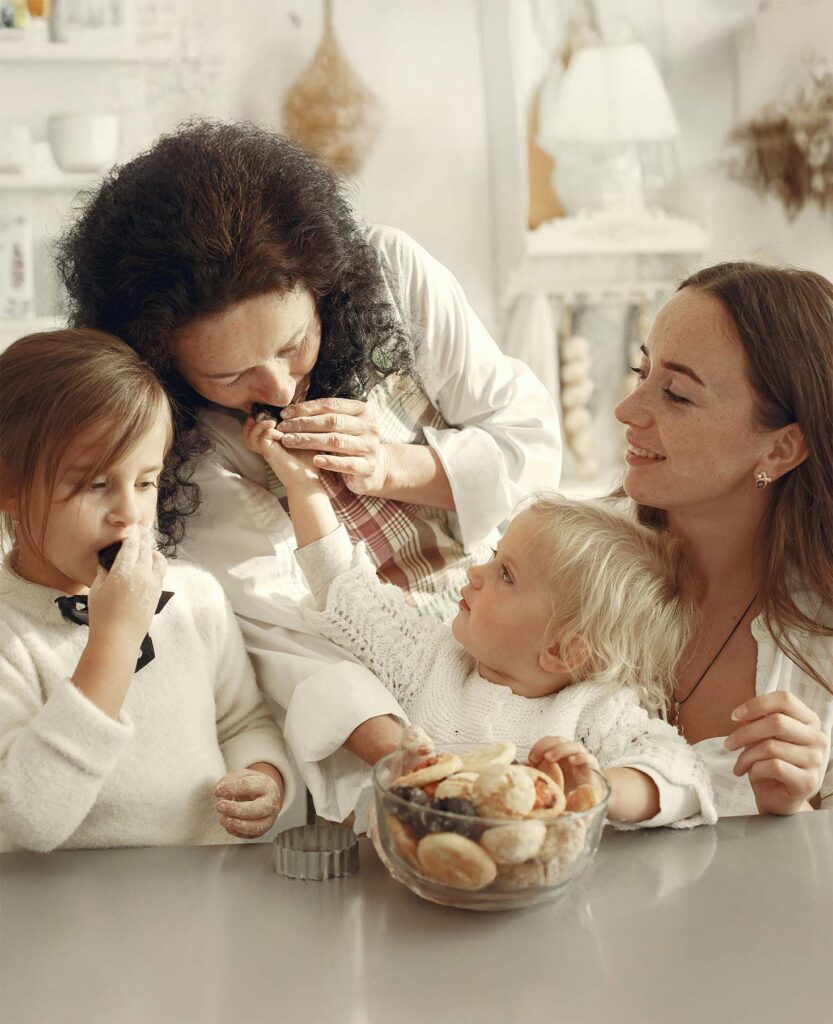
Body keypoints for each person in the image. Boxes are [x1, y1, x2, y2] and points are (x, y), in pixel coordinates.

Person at [55, 120, 561, 822]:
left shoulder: (392, 276)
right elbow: (282, 635)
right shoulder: (177, 444)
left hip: (532, 641)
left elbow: (534, 447)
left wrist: (394, 464)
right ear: (166, 364)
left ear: (326, 282)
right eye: (231, 375)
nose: (280, 388)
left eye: (294, 344)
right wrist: (410, 760)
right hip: (383, 700)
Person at [244, 411, 716, 827]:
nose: (474, 572)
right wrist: (301, 484)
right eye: (493, 556)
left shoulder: (596, 712)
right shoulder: (431, 661)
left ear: (561, 649)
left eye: (506, 575)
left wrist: (599, 788)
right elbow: (344, 588)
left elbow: (682, 772)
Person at [0, 330, 295, 852]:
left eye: (145, 483)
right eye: (95, 485)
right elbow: (27, 819)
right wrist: (112, 640)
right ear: (11, 491)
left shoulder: (195, 600)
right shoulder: (10, 636)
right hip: (62, 916)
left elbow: (243, 721)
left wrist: (264, 776)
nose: (129, 513)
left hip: (205, 897)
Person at [614, 262, 832, 815]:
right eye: (643, 374)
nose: (627, 410)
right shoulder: (568, 562)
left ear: (780, 449)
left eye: (677, 395)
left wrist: (798, 810)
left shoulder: (822, 649)